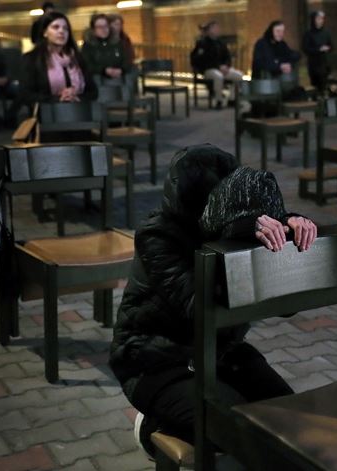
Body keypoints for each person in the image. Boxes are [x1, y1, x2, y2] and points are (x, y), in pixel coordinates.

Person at [109, 144, 317, 455]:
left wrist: (287, 227)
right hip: (157, 362)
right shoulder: (158, 235)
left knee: (289, 421)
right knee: (241, 433)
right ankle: (155, 426)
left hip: (220, 352)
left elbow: (287, 307)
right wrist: (241, 235)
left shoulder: (235, 224)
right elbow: (199, 307)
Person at [18, 12, 97, 106]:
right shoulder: (32, 59)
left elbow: (93, 92)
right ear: (45, 32)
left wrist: (75, 95)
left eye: (65, 28)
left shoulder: (77, 58)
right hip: (47, 114)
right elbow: (26, 95)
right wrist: (58, 99)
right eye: (55, 27)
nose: (61, 31)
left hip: (78, 111)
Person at [190, 20, 243, 109]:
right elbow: (202, 60)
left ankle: (232, 99)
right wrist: (218, 67)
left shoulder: (221, 43)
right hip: (209, 69)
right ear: (209, 30)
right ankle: (219, 100)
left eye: (218, 28)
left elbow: (227, 56)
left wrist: (226, 66)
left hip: (223, 68)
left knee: (238, 75)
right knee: (218, 76)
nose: (217, 30)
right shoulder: (203, 43)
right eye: (215, 28)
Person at [81, 13, 133, 87]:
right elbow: (87, 65)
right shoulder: (88, 45)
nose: (103, 29)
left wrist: (122, 70)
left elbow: (126, 60)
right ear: (93, 29)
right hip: (97, 81)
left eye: (105, 26)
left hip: (119, 79)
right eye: (99, 27)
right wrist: (104, 70)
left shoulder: (117, 43)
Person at [302, 11, 332, 96]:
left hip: (325, 63)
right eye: (318, 19)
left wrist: (327, 49)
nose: (321, 21)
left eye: (322, 19)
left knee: (324, 85)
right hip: (314, 64)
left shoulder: (326, 33)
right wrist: (319, 49)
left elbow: (331, 46)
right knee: (315, 86)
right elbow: (306, 48)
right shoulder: (308, 34)